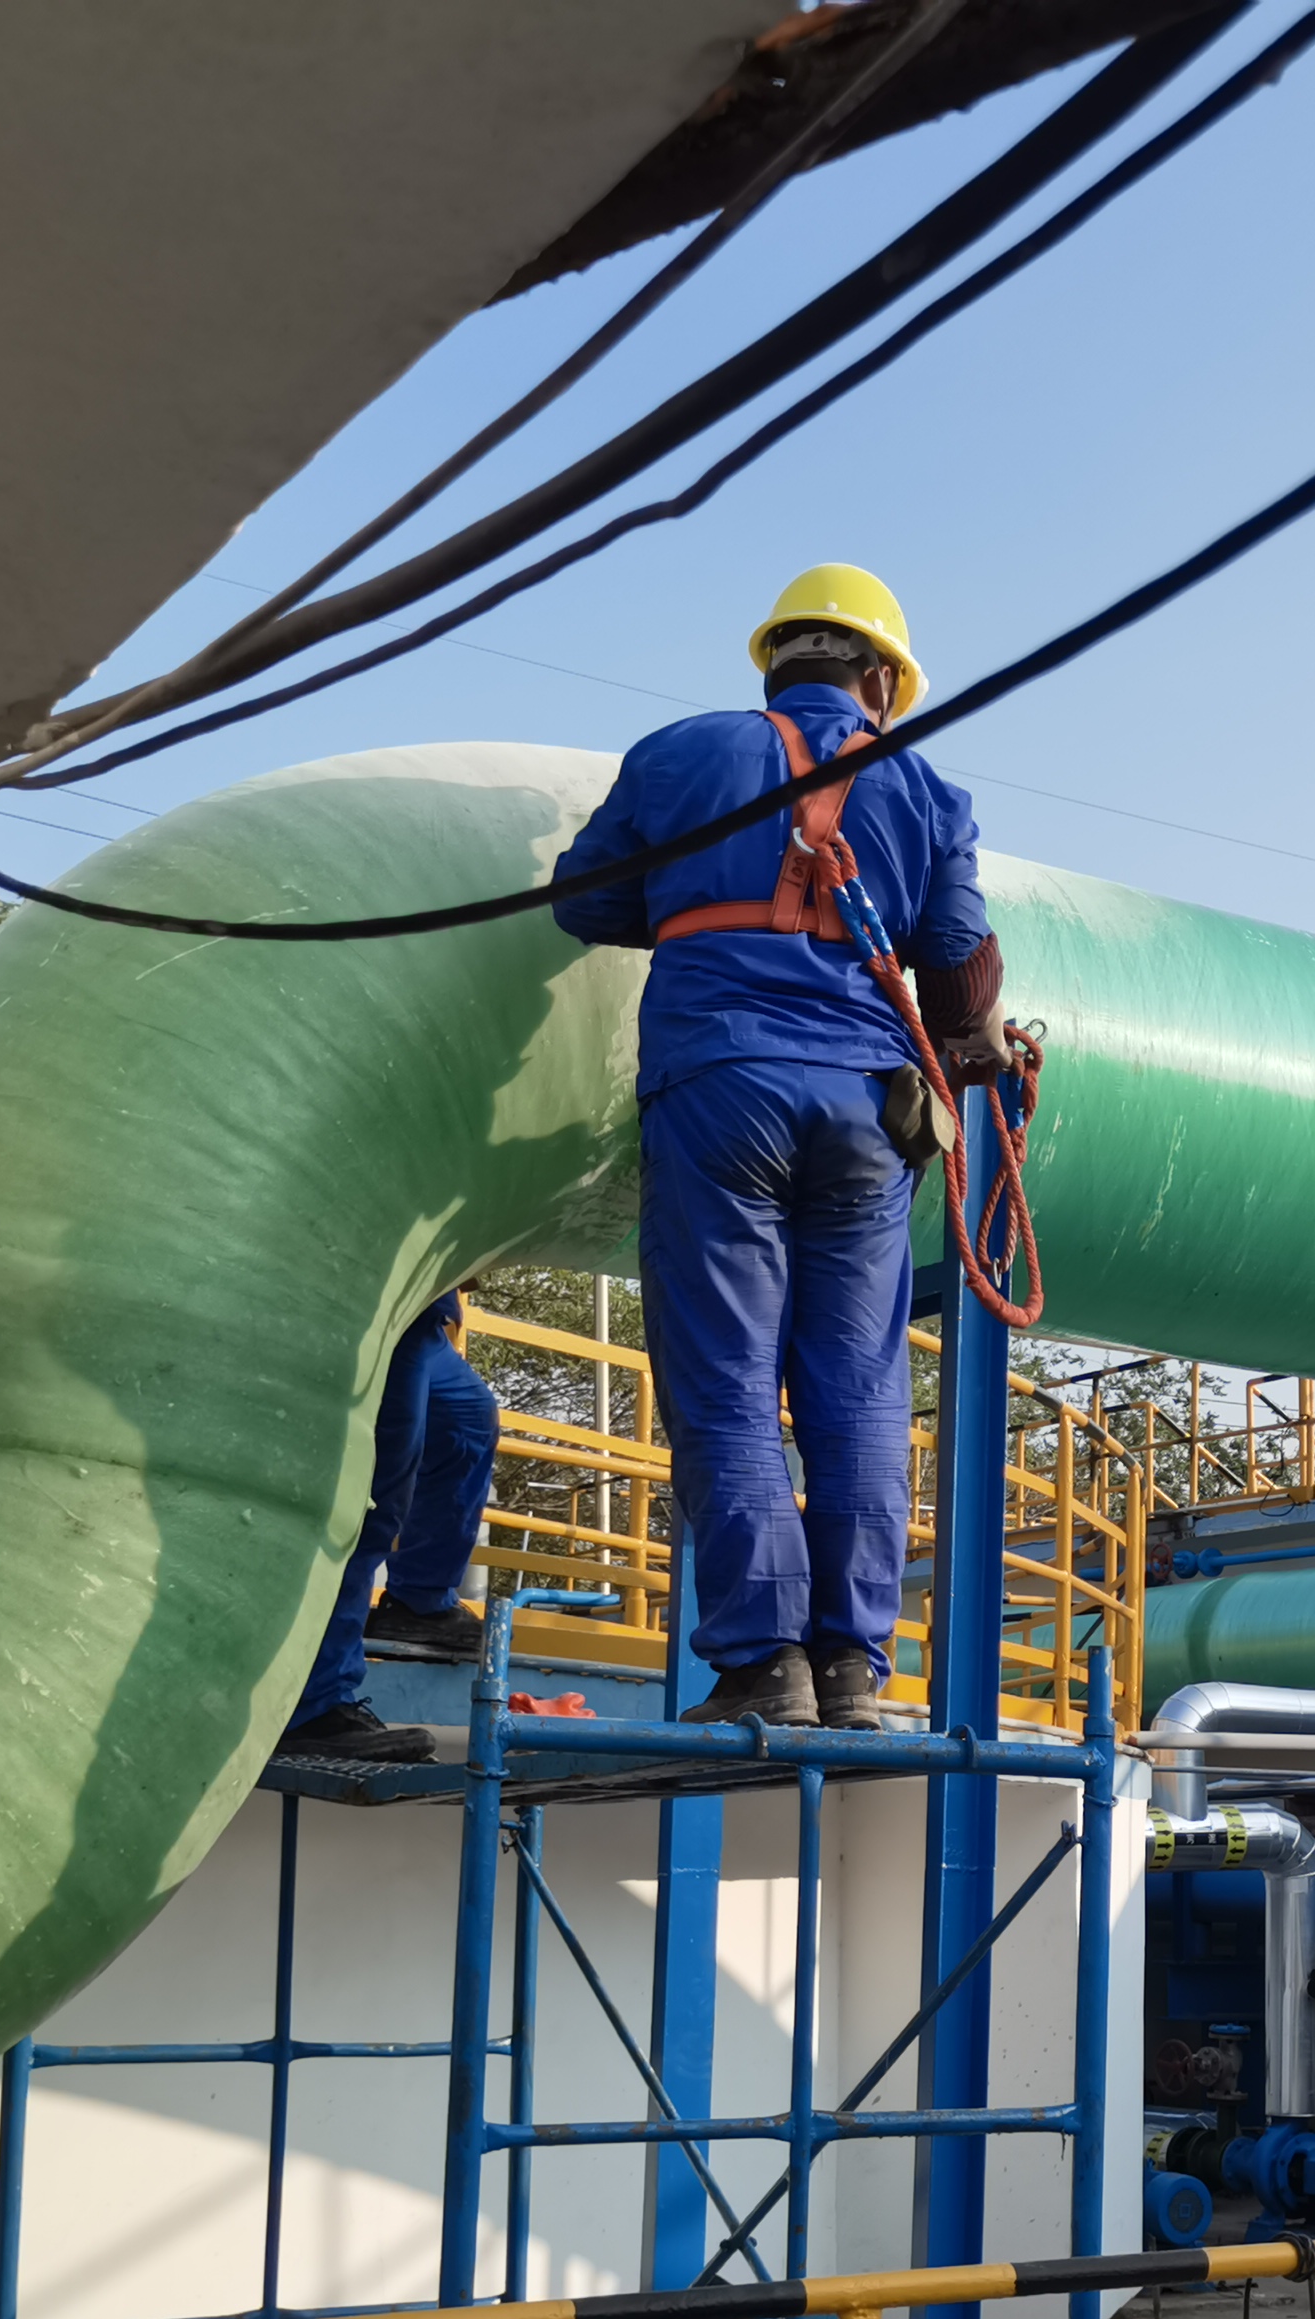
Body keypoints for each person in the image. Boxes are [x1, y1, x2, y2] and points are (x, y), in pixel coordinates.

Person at [549, 564, 1010, 1727]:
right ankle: (851, 1666)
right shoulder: (927, 790)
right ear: (880, 681)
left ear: (776, 663)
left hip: (721, 1086)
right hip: (867, 1110)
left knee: (728, 1379)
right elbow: (959, 970)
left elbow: (583, 901)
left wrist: (704, 896)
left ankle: (764, 1668)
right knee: (857, 1385)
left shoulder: (679, 753)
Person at [275, 1294, 497, 1758]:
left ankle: (419, 1601)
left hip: (425, 1317)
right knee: (374, 1488)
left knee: (468, 1422)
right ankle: (314, 1705)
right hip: (381, 1308)